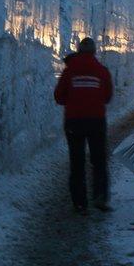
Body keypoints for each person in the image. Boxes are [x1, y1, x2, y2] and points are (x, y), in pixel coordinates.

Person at [54, 37, 114, 215]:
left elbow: (58, 96)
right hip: (96, 121)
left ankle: (80, 202)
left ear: (79, 51)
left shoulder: (69, 71)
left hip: (74, 121)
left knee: (77, 161)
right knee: (99, 160)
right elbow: (108, 96)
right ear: (94, 52)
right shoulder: (102, 71)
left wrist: (73, 101)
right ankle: (100, 197)